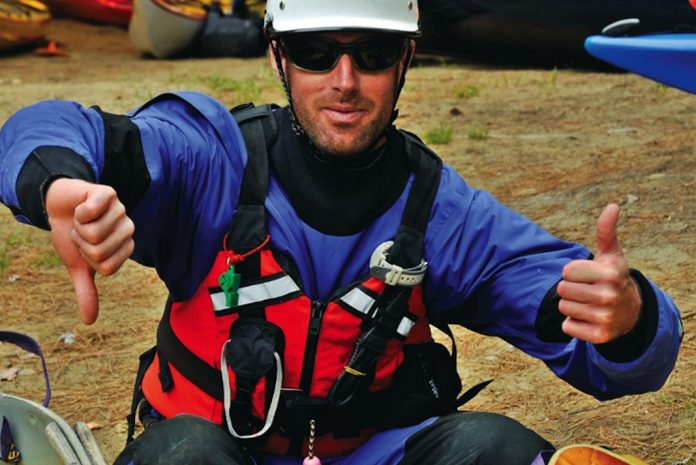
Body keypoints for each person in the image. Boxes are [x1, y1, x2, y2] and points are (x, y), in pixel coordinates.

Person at [0, 1, 684, 464]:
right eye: (317, 52)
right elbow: (56, 126)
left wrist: (628, 318)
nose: (345, 80)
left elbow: (626, 351)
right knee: (185, 450)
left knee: (491, 445)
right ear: (278, 56)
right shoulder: (211, 160)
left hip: (371, 452)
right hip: (220, 449)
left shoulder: (443, 214)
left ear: (406, 59)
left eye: (374, 53)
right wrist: (59, 185)